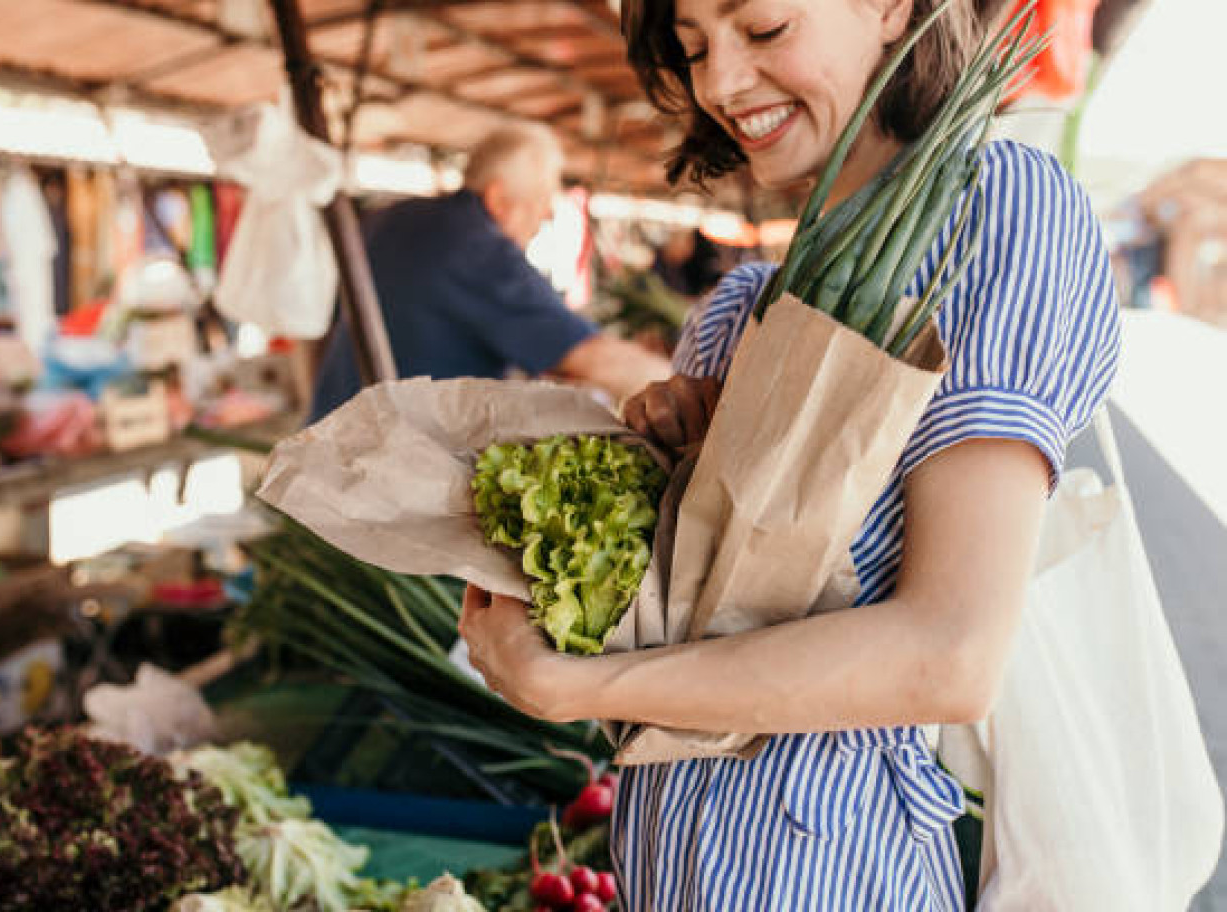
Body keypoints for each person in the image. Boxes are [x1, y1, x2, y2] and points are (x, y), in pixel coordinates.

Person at [457, 1, 1122, 909]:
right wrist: (665, 465)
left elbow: (950, 654)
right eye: (693, 49)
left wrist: (572, 684)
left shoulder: (997, 211)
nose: (721, 83)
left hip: (830, 871)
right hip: (669, 866)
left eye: (764, 28)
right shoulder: (735, 311)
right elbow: (697, 638)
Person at [308, 124, 670, 422]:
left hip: (330, 441)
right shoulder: (475, 246)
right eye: (541, 203)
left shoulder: (394, 216)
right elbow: (594, 357)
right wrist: (688, 389)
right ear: (498, 198)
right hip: (384, 470)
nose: (546, 218)